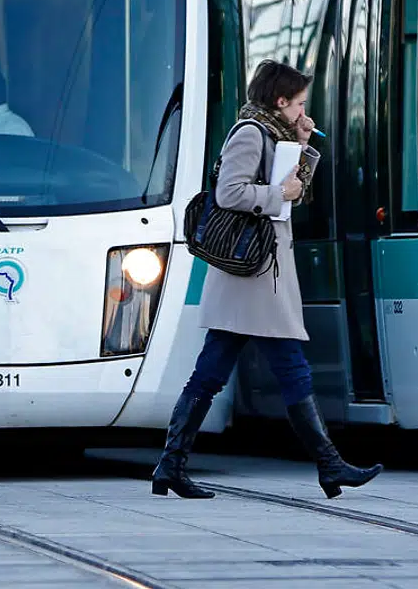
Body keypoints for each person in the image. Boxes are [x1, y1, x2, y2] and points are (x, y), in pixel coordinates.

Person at [152, 59, 382, 501]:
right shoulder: (250, 134)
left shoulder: (275, 134)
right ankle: (329, 466)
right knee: (288, 368)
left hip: (256, 276)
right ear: (280, 101)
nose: (303, 111)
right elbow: (230, 193)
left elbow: (296, 193)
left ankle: (170, 465)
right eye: (299, 104)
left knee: (212, 373)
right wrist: (277, 193)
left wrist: (303, 145)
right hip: (253, 275)